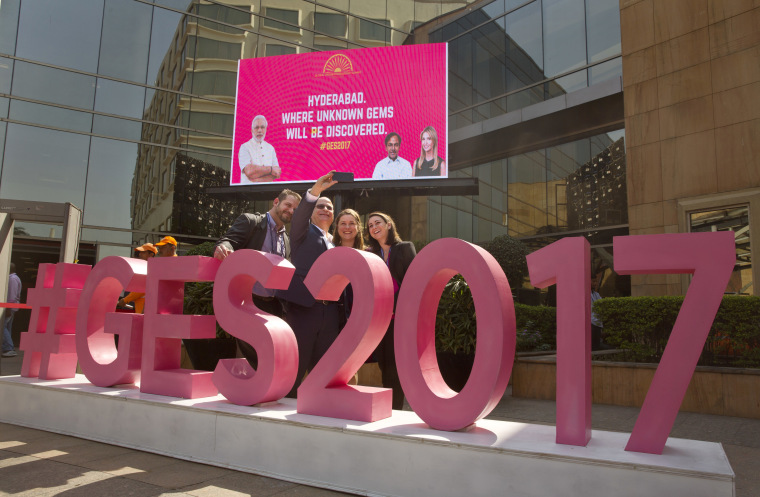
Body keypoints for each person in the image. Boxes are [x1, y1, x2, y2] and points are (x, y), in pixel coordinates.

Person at [214, 189, 302, 368]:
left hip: (273, 305)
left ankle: (262, 391)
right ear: (276, 202)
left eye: (295, 209)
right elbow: (229, 240)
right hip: (248, 302)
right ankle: (246, 390)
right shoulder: (251, 221)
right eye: (288, 205)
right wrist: (223, 247)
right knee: (252, 354)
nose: (291, 211)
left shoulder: (286, 239)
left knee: (268, 354)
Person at [276, 172, 338, 396]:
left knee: (324, 372)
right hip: (304, 310)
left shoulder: (336, 241)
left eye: (330, 208)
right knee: (295, 370)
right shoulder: (302, 232)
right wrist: (315, 192)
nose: (325, 210)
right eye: (320, 206)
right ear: (311, 212)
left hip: (331, 313)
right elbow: (300, 215)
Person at [366, 212, 416, 410]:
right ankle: (389, 407)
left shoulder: (404, 248)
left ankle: (397, 409)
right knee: (384, 364)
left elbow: (414, 282)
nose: (373, 227)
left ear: (388, 225)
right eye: (370, 225)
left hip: (400, 318)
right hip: (380, 319)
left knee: (396, 366)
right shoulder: (371, 253)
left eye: (377, 222)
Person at [238, 115, 280, 184]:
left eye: (262, 127)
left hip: (268, 190)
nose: (259, 130)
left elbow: (277, 173)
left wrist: (256, 179)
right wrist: (271, 170)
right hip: (248, 191)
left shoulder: (271, 148)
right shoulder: (244, 147)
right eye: (256, 127)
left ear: (266, 129)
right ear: (252, 130)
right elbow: (249, 171)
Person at [118, 243, 157, 313]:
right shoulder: (147, 268)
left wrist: (125, 300)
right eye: (140, 253)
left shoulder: (151, 270)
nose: (140, 254)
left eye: (143, 252)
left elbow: (140, 289)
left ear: (151, 255)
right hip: (142, 311)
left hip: (145, 312)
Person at [2, 263, 21, 358]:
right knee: (7, 327)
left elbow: (12, 295)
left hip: (10, 307)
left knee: (2, 327)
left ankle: (9, 348)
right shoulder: (14, 278)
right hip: (11, 307)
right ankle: (7, 347)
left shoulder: (12, 279)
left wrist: (8, 307)